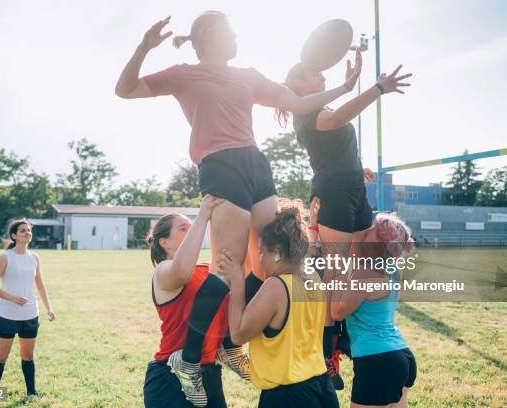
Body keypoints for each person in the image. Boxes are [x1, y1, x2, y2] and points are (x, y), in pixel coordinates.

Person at [115, 10, 359, 401]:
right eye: (229, 31)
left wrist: (344, 87)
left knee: (267, 263)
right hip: (221, 163)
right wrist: (143, 49)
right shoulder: (185, 74)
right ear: (210, 37)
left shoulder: (247, 74)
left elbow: (297, 103)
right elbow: (124, 89)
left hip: (255, 163)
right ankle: (190, 360)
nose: (236, 37)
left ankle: (230, 343)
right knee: (227, 265)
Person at [277, 48, 411, 387]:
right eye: (315, 72)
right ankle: (328, 353)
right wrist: (375, 89)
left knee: (369, 261)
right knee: (334, 279)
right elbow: (336, 121)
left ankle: (355, 334)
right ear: (298, 82)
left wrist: (356, 167)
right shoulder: (305, 114)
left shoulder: (319, 108)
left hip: (352, 188)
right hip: (334, 194)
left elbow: (337, 142)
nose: (323, 73)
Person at [218, 202, 339, 408]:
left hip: (289, 396)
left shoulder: (275, 286)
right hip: (321, 385)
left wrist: (238, 282)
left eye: (261, 252)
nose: (260, 259)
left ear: (277, 252)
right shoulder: (313, 277)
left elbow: (238, 334)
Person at [144, 194, 234, 408]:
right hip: (170, 379)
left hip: (208, 374)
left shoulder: (204, 271)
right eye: (184, 228)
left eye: (192, 226)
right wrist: (203, 215)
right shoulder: (164, 270)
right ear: (164, 242)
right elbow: (182, 272)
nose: (193, 230)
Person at [331, 213, 417, 407]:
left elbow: (337, 312)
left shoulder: (365, 274)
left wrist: (337, 273)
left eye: (370, 229)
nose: (365, 231)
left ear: (376, 242)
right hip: (402, 354)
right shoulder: (393, 268)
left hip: (378, 360)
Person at [0, 219, 56, 407]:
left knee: (28, 357)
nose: (27, 233)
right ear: (14, 236)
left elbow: (40, 284)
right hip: (7, 316)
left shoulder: (35, 257)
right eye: (23, 230)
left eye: (29, 230)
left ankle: (31, 392)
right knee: (0, 359)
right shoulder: (5, 257)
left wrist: (49, 308)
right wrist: (13, 298)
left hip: (31, 316)